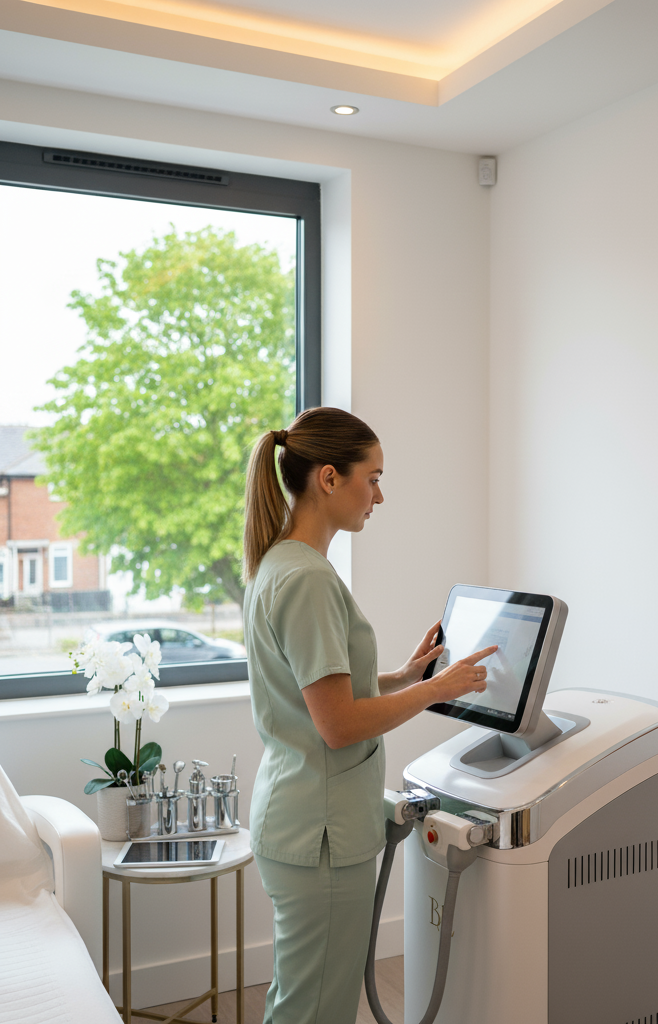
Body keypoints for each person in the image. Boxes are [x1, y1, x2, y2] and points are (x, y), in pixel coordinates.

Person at [241, 406, 496, 1024]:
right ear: (329, 478)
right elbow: (339, 724)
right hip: (319, 833)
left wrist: (408, 676)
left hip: (302, 818)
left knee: (299, 998)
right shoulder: (307, 580)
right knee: (316, 1010)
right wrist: (439, 692)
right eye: (373, 477)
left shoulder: (284, 565)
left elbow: (321, 694)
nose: (379, 496)